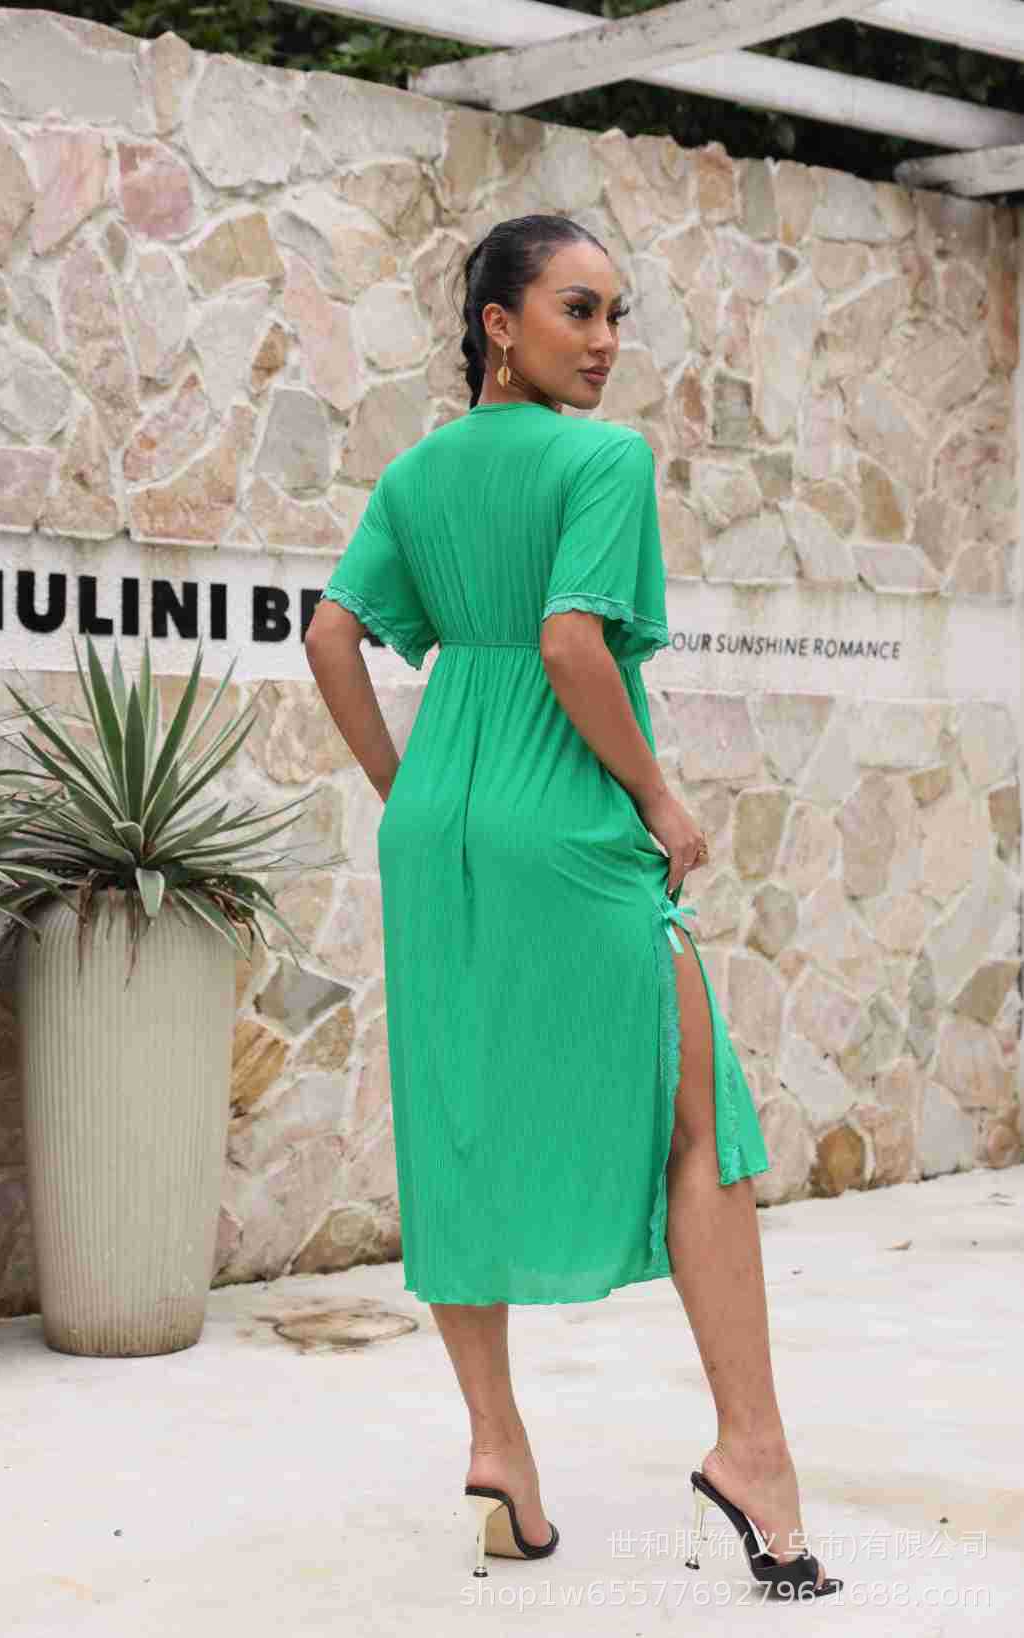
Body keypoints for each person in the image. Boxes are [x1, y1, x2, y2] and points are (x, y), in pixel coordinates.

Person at [306, 214, 841, 1601]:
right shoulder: (603, 461)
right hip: (569, 824)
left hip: (441, 829)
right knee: (701, 1116)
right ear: (498, 323)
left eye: (616, 317)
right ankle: (754, 1451)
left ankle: (499, 1450)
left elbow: (330, 634)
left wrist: (409, 791)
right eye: (578, 310)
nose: (606, 343)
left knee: (456, 1115)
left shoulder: (416, 475)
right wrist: (659, 797)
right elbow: (568, 644)